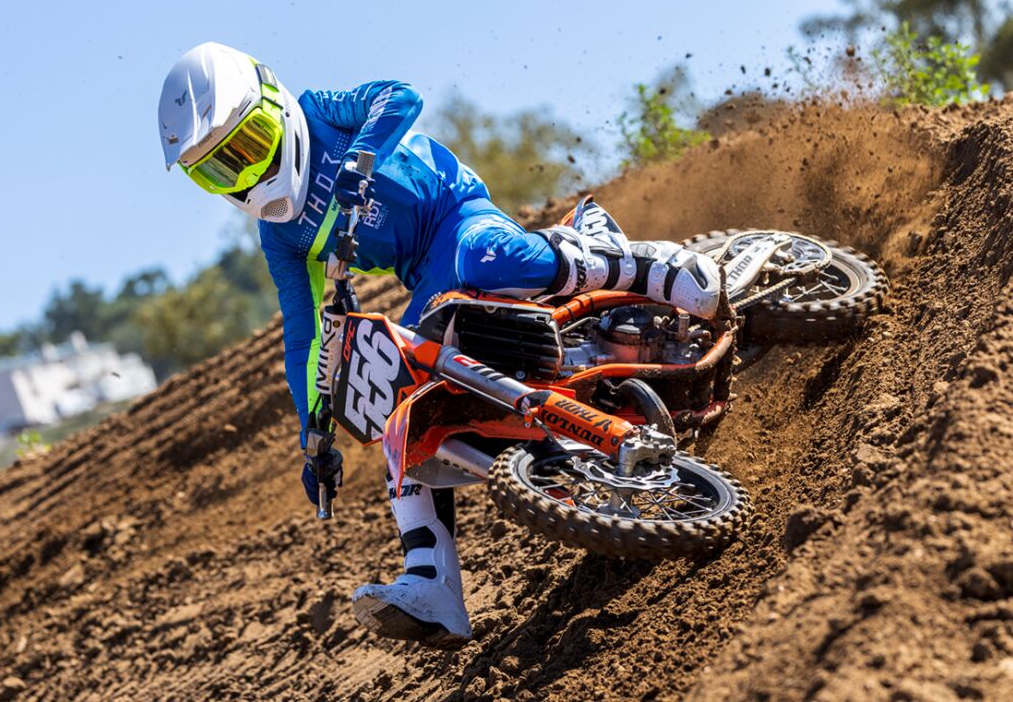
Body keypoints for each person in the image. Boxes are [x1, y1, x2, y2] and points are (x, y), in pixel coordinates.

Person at [157, 42, 720, 648]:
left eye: (248, 144)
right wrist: (313, 434)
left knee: (488, 255)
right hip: (426, 279)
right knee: (400, 399)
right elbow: (304, 336)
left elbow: (397, 96)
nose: (245, 174)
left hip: (458, 216)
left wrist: (361, 159)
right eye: (219, 170)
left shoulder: (319, 111)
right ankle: (432, 582)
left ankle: (640, 264)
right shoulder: (281, 237)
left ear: (273, 105)